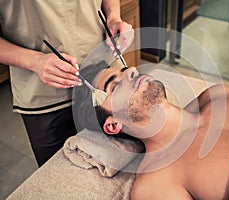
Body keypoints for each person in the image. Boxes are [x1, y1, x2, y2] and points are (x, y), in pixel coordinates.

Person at [74, 61, 229, 199]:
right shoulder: (156, 183)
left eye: (126, 69)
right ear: (113, 125)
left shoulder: (218, 95)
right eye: (114, 87)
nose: (133, 70)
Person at [0, 0, 134, 167]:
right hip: (45, 94)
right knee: (60, 171)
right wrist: (34, 61)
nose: (133, 72)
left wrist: (113, 16)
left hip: (105, 60)